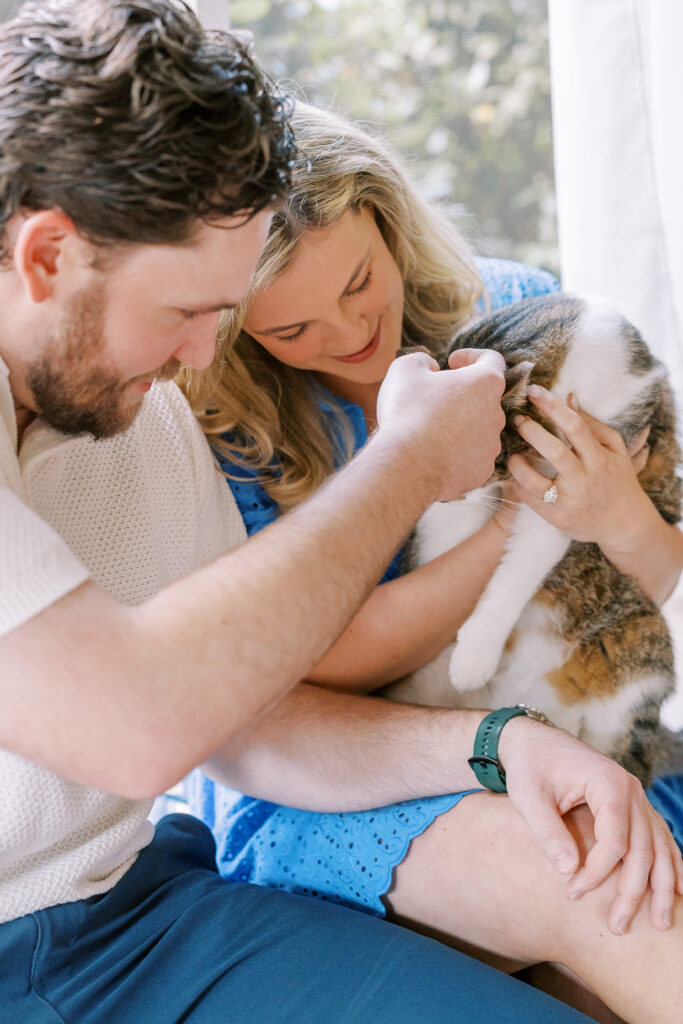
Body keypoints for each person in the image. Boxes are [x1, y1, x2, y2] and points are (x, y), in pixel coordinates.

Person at [0, 2, 603, 1022]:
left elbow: (246, 719)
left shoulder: (141, 416)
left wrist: (498, 744)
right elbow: (135, 725)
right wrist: (409, 460)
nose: (202, 356)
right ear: (48, 258)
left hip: (138, 911)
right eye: (186, 312)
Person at [180, 101, 683, 1023]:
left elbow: (637, 596)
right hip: (341, 770)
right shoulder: (221, 432)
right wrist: (513, 533)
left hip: (573, 724)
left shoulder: (522, 315)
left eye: (359, 282)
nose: (342, 333)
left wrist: (610, 518)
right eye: (288, 330)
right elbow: (300, 666)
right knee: (595, 878)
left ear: (386, 218)